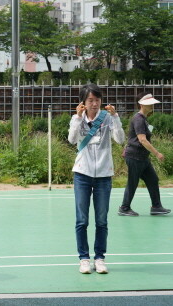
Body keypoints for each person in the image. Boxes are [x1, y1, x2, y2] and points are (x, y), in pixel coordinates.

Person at [68, 84, 125, 275]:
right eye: (90, 100)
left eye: (97, 100)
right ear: (83, 103)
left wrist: (116, 118)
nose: (94, 104)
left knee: (101, 220)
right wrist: (77, 119)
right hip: (82, 175)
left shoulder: (107, 118)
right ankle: (84, 258)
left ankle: (99, 258)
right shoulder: (77, 119)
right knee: (81, 220)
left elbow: (119, 139)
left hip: (103, 175)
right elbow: (71, 139)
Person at [118, 93, 171, 216]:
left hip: (142, 158)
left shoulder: (144, 119)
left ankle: (156, 207)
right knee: (133, 182)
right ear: (142, 104)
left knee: (153, 179)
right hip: (135, 157)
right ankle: (124, 208)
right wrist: (157, 153)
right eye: (149, 103)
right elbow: (142, 139)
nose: (152, 105)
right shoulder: (138, 119)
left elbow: (133, 137)